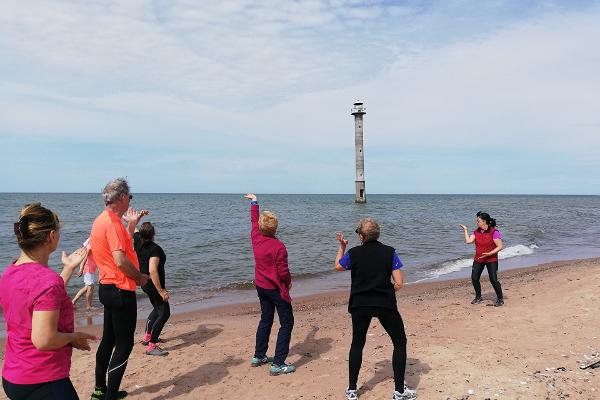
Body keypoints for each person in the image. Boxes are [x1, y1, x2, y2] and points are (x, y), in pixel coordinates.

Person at [0, 203, 97, 400]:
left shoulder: (9, 272)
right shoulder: (47, 282)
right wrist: (72, 336)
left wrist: (68, 269)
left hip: (13, 375)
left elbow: (41, 296)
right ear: (52, 236)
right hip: (42, 379)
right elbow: (44, 340)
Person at [334, 218, 417, 400]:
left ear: (362, 236)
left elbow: (338, 266)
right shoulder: (389, 252)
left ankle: (352, 390)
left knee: (357, 343)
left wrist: (342, 246)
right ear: (377, 234)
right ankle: (399, 392)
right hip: (384, 303)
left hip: (359, 304)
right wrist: (387, 289)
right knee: (399, 342)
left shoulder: (354, 253)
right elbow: (399, 283)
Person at [90, 178, 149, 400]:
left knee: (109, 340)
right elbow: (121, 260)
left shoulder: (101, 220)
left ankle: (99, 390)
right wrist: (140, 277)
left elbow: (121, 243)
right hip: (120, 288)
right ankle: (110, 395)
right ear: (123, 198)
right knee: (124, 345)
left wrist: (132, 223)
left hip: (106, 287)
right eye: (130, 198)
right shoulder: (112, 223)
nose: (130, 201)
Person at [244, 194, 295, 376]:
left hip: (261, 287)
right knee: (287, 323)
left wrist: (254, 202)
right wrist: (288, 284)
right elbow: (283, 272)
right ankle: (278, 363)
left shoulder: (256, 238)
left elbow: (252, 221)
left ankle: (259, 356)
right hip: (275, 290)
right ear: (275, 229)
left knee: (266, 319)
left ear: (260, 227)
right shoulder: (279, 246)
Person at [134, 222, 170, 356]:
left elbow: (135, 229)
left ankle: (147, 337)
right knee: (165, 313)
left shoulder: (137, 242)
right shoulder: (155, 249)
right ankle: (151, 346)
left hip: (144, 284)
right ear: (153, 234)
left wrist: (135, 219)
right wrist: (161, 290)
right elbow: (153, 270)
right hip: (153, 284)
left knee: (157, 308)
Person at [459, 211, 504, 307]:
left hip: (491, 259)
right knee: (474, 278)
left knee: (493, 280)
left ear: (484, 222)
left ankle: (500, 299)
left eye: (478, 221)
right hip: (479, 259)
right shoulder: (476, 232)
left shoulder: (494, 232)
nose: (477, 222)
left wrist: (490, 253)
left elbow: (500, 246)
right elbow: (468, 241)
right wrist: (465, 230)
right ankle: (478, 297)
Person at [72, 238, 98, 311]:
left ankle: (73, 301)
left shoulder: (92, 242)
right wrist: (81, 269)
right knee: (90, 287)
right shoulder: (91, 245)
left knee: (87, 287)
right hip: (88, 268)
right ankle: (89, 306)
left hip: (91, 268)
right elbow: (85, 258)